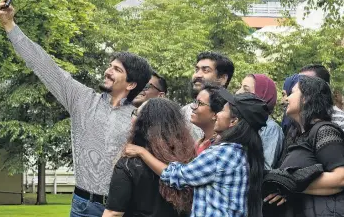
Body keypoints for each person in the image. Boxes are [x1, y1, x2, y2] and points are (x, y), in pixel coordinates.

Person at [0, 0, 153, 216]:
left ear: (131, 84)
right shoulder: (81, 100)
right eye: (110, 66)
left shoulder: (140, 117)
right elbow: (43, 64)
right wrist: (10, 26)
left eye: (117, 69)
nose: (108, 71)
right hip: (81, 206)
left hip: (120, 208)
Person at [125, 91, 268, 217]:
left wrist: (142, 152)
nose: (217, 115)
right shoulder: (243, 151)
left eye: (222, 110)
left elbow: (177, 176)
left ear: (234, 121)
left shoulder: (223, 153)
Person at [265, 76, 344, 217]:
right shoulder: (296, 135)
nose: (286, 99)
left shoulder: (324, 130)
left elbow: (343, 177)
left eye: (293, 93)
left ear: (306, 98)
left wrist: (289, 183)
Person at [103, 98, 195, 217]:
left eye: (136, 113)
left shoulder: (129, 164)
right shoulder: (188, 160)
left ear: (141, 124)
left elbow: (113, 213)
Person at [299, 64, 344, 153]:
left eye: (307, 83)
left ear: (324, 87)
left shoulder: (343, 121)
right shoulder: (298, 120)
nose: (301, 88)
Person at [182, 52, 235, 141]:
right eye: (196, 70)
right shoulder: (185, 112)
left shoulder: (234, 115)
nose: (197, 75)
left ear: (222, 79)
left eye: (205, 70)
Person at [237, 74, 284, 169]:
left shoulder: (270, 128)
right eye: (240, 87)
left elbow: (264, 167)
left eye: (246, 89)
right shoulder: (240, 121)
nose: (238, 92)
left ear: (262, 95)